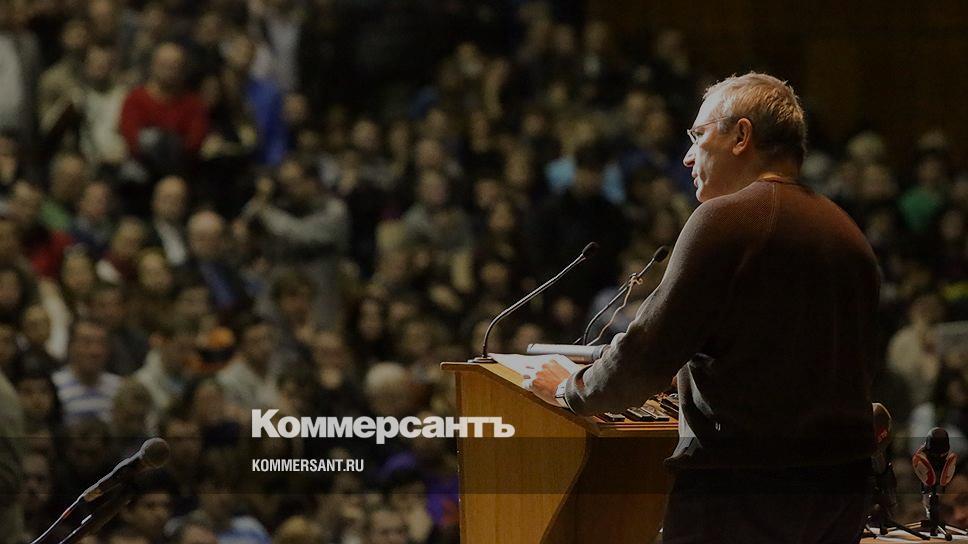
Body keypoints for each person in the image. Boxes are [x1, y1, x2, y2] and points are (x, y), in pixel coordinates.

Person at [530, 72, 881, 543]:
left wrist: (568, 390)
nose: (688, 156)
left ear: (741, 136)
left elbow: (643, 358)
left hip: (742, 493)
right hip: (842, 493)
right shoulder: (848, 234)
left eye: (698, 135)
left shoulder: (725, 220)